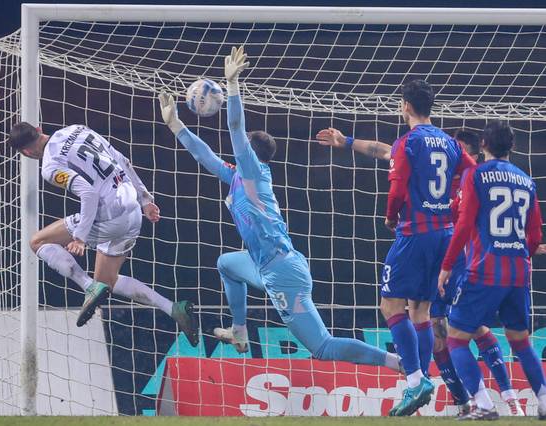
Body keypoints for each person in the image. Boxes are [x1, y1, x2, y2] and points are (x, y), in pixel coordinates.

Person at [158, 46, 403, 372]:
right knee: (226, 264)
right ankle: (240, 332)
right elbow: (205, 156)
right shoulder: (237, 177)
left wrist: (233, 88)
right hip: (264, 264)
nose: (236, 150)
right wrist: (175, 125)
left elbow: (234, 129)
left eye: (243, 147)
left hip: (283, 273)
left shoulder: (254, 172)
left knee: (323, 346)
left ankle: (396, 362)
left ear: (251, 152)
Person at [316, 127, 524, 415]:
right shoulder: (435, 166)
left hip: (458, 257)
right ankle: (464, 402)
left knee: (465, 326)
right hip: (438, 250)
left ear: (471, 154)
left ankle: (508, 399)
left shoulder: (473, 178)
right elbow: (383, 150)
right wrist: (348, 141)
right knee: (430, 322)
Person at [317, 80, 475, 416]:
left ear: (405, 106)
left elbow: (397, 186)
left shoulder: (409, 142)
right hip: (445, 235)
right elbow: (472, 173)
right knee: (421, 312)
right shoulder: (449, 143)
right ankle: (423, 379)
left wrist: (391, 217)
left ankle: (416, 380)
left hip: (415, 233)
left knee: (390, 306)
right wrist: (345, 140)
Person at [6, 122, 199, 346]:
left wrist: (80, 237)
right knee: (107, 281)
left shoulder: (50, 165)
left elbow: (89, 194)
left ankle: (88, 287)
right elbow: (122, 160)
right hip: (133, 211)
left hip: (110, 216)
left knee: (37, 241)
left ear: (26, 152)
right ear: (39, 129)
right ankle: (174, 309)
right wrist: (145, 199)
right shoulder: (77, 129)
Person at [439, 120, 546, 420]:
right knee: (521, 341)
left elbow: (462, 225)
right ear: (511, 147)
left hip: (485, 269)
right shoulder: (527, 180)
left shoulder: (475, 175)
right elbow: (535, 235)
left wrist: (446, 266)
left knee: (456, 338)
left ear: (483, 145)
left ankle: (483, 403)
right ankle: (544, 399)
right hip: (518, 272)